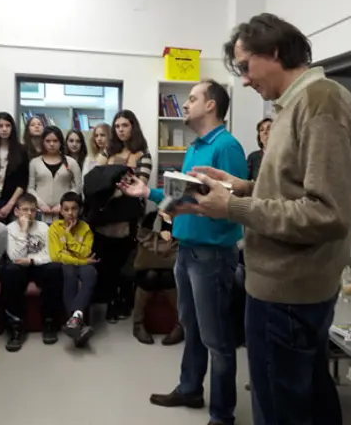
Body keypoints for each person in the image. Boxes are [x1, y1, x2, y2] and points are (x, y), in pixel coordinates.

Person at [181, 13, 351, 425]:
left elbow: (327, 213)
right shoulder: (297, 105)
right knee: (309, 402)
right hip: (285, 291)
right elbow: (292, 190)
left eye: (246, 66)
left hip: (288, 295)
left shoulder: (321, 104)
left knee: (281, 412)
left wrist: (232, 208)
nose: (245, 80)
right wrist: (243, 187)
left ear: (276, 51)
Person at [120, 80, 246, 425]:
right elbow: (182, 198)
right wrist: (148, 192)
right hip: (186, 250)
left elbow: (235, 207)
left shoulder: (227, 147)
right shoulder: (194, 148)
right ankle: (190, 388)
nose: (185, 104)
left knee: (217, 338)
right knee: (191, 326)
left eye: (192, 98)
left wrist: (198, 208)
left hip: (213, 255)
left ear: (211, 105)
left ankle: (222, 414)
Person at [95, 110, 151, 322]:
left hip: (129, 215)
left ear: (133, 127)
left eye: (125, 125)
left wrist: (115, 187)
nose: (120, 130)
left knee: (126, 262)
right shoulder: (108, 151)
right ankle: (111, 303)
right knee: (107, 262)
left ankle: (124, 300)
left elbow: (140, 184)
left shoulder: (143, 154)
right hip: (106, 215)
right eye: (117, 126)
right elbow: (95, 177)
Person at [1, 193, 63, 352]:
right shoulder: (9, 229)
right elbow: (14, 257)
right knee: (10, 271)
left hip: (38, 264)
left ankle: (49, 321)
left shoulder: (44, 228)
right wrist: (23, 231)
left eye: (33, 210)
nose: (29, 214)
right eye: (25, 210)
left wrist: (33, 261)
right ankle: (16, 326)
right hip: (19, 267)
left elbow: (51, 255)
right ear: (16, 211)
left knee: (55, 269)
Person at [48, 192, 98, 348]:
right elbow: (56, 256)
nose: (70, 213)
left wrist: (69, 236)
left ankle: (74, 319)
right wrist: (81, 259)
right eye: (66, 209)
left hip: (83, 265)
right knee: (68, 272)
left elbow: (86, 252)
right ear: (61, 211)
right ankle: (77, 323)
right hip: (68, 265)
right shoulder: (55, 228)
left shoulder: (85, 228)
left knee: (91, 272)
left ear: (80, 210)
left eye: (74, 209)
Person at [132, 211, 183, 346]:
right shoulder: (150, 217)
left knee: (168, 276)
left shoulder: (181, 218)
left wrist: (169, 226)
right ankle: (138, 324)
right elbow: (141, 236)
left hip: (173, 269)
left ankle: (180, 325)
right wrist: (158, 232)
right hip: (146, 267)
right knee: (150, 276)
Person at [27, 126, 82, 224]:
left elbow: (79, 187)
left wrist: (64, 204)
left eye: (55, 141)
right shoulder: (34, 163)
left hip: (65, 213)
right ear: (43, 142)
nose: (51, 144)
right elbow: (30, 188)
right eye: (48, 141)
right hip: (41, 212)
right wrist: (40, 204)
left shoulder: (71, 162)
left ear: (61, 142)